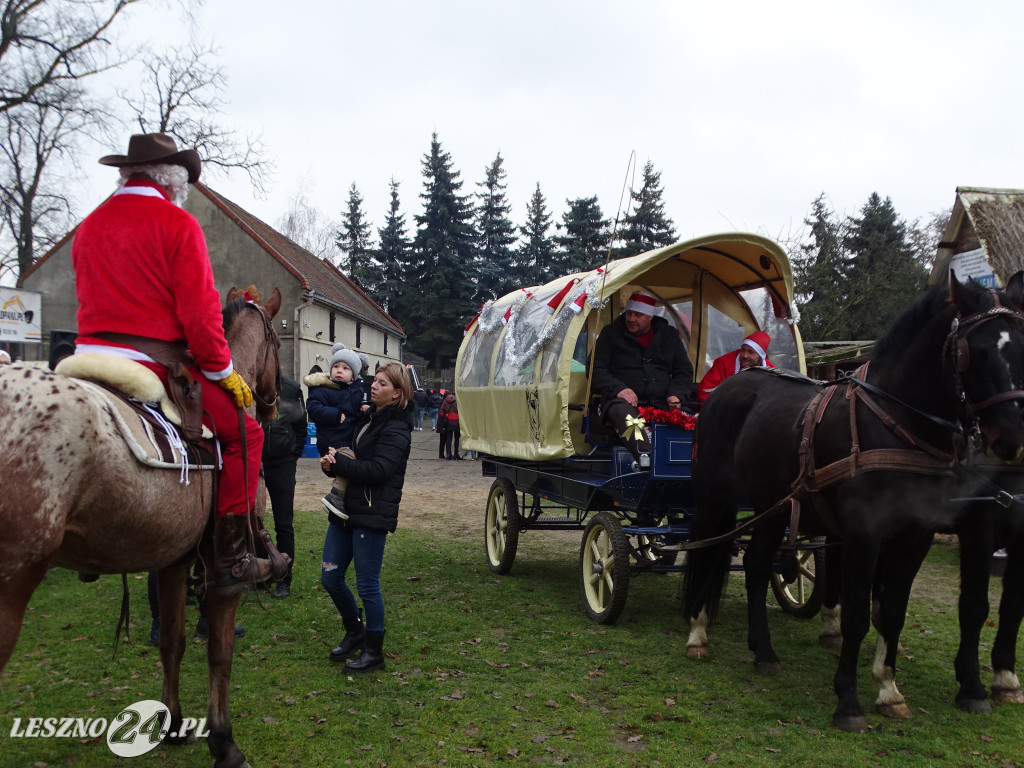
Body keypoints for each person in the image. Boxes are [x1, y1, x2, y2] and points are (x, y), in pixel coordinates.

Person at [71, 133, 272, 596]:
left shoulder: (89, 224)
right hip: (149, 362)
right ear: (173, 178)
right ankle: (233, 556)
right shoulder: (177, 223)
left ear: (129, 173)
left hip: (84, 360)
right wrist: (223, 373)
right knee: (249, 435)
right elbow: (202, 320)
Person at [319, 361, 414, 673]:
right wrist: (332, 463)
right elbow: (356, 458)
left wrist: (342, 467)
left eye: (383, 384)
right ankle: (355, 630)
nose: (374, 386)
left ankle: (374, 651)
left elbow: (380, 470)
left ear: (397, 393)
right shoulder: (367, 418)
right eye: (375, 381)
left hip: (372, 513)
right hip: (346, 510)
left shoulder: (397, 427)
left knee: (367, 585)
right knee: (330, 577)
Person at [591, 290, 694, 468]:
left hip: (661, 402)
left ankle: (693, 464)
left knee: (691, 420)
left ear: (650, 317)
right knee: (630, 420)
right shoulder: (611, 334)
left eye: (638, 315)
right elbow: (595, 370)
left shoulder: (669, 336)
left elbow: (683, 371)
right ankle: (648, 459)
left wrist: (676, 394)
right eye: (629, 313)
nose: (631, 319)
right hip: (621, 402)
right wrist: (618, 389)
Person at [305, 343, 364, 521]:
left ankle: (342, 499)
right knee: (350, 460)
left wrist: (364, 408)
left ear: (353, 375)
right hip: (332, 439)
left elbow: (355, 412)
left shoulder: (356, 391)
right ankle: (336, 494)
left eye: (346, 368)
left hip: (346, 438)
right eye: (336, 366)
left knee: (352, 463)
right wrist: (334, 414)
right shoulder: (324, 389)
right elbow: (313, 407)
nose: (340, 370)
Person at [261, 376, 307, 598]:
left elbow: (301, 426)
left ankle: (284, 577)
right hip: (253, 462)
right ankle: (257, 573)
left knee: (283, 523)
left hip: (282, 463)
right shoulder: (245, 383)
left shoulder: (291, 389)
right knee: (250, 521)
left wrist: (292, 456)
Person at [697, 331, 774, 403]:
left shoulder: (772, 373)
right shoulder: (723, 363)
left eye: (750, 352)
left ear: (760, 357)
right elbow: (704, 392)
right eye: (743, 349)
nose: (744, 355)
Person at [438, 391, 461, 459]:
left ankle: (449, 454)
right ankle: (456, 454)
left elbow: (441, 412)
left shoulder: (446, 401)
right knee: (456, 439)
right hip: (457, 421)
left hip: (449, 421)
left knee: (449, 438)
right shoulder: (458, 401)